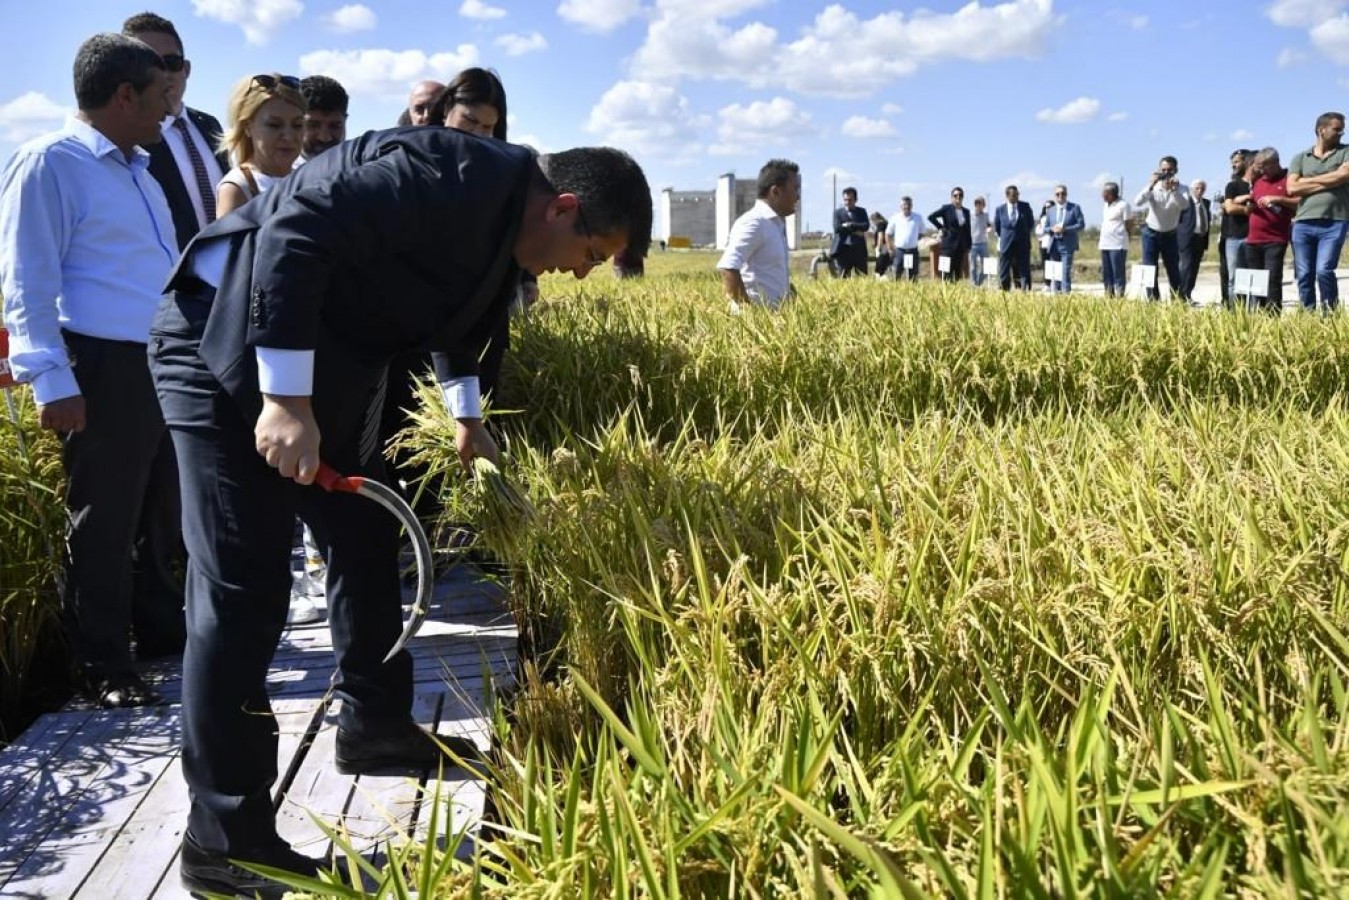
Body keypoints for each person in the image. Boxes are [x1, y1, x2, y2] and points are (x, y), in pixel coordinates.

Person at [149, 130, 651, 897]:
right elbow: (296, 230)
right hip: (218, 345)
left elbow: (470, 319)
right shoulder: (441, 174)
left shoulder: (506, 222)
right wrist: (285, 399)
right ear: (564, 208)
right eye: (589, 255)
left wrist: (468, 417)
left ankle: (373, 726)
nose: (577, 274)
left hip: (319, 368)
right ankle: (224, 843)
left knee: (364, 532)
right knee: (243, 592)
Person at [0, 33, 181, 708]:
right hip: (99, 364)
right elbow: (26, 279)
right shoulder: (51, 162)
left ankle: (161, 633)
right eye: (158, 96)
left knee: (161, 508)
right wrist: (53, 379)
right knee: (103, 520)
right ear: (124, 94)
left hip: (156, 361)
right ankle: (102, 663)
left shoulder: (137, 168)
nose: (169, 109)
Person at [123, 12, 227, 251]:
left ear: (186, 69)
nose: (163, 74)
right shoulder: (128, 140)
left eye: (171, 63)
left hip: (226, 276)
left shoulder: (209, 125)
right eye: (148, 63)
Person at [215, 73, 305, 217]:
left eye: (297, 125)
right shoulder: (237, 188)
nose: (288, 136)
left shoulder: (308, 180)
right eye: (274, 125)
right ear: (248, 127)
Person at [717, 159, 799, 310]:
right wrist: (751, 317)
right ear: (775, 191)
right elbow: (728, 268)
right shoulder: (753, 222)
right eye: (795, 189)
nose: (798, 197)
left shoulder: (775, 224)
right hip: (757, 326)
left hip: (776, 322)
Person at [1288, 111, 1349, 312]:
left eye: (1342, 129)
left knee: (1324, 270)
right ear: (1321, 130)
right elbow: (1292, 188)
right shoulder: (1300, 158)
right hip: (1303, 222)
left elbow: (1343, 176)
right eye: (1337, 129)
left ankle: (1330, 314)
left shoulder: (1346, 151)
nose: (1342, 133)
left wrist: (1306, 181)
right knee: (1304, 273)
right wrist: (1330, 179)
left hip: (1335, 221)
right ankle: (1308, 314)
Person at [1242, 147, 1297, 312]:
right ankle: (1258, 316)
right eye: (1258, 167)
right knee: (1256, 283)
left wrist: (1278, 199)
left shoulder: (1289, 179)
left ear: (1275, 162)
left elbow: (1298, 203)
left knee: (1272, 280)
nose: (1260, 170)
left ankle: (1272, 318)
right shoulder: (1259, 182)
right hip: (1253, 240)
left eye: (1263, 166)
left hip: (1275, 240)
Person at [1134, 155, 1189, 300]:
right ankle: (1153, 301)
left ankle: (1178, 301)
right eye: (1163, 170)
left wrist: (1174, 191)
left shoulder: (1182, 189)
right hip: (1150, 233)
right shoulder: (1153, 187)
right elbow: (1137, 202)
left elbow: (1184, 205)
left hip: (1170, 234)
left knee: (1173, 270)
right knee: (1150, 270)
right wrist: (1150, 185)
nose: (1166, 173)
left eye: (1169, 170)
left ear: (1176, 170)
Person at [1220, 149, 1254, 307]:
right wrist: (1247, 208)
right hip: (1233, 237)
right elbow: (1229, 209)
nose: (1234, 165)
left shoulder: (1258, 185)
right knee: (1233, 278)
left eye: (1237, 161)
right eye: (1232, 162)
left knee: (1252, 277)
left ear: (1247, 162)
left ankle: (1253, 312)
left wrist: (1237, 201)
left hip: (1254, 236)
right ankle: (1235, 312)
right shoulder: (1232, 186)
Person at [1044, 184, 1084, 293]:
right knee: (1056, 272)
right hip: (1054, 244)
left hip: (1067, 244)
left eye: (1063, 193)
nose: (1060, 196)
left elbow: (1081, 224)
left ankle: (1066, 294)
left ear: (1066, 194)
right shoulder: (1051, 210)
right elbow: (1045, 228)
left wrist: (1065, 229)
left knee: (1065, 271)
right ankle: (1056, 294)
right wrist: (1052, 229)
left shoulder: (1074, 208)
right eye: (1057, 194)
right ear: (1055, 195)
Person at [993, 184, 1034, 290]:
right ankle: (1004, 291)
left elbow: (1030, 223)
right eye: (1014, 195)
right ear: (1007, 196)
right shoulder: (1000, 209)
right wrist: (1006, 236)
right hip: (1006, 243)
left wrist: (1022, 233)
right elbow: (997, 227)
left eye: (1017, 194)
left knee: (1024, 269)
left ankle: (1025, 290)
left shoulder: (1025, 206)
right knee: (1004, 269)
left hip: (1022, 243)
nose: (1016, 197)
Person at [299, 74, 348, 160]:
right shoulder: (277, 171)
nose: (324, 138)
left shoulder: (363, 170)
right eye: (313, 125)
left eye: (335, 126)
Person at [928, 187, 973, 281]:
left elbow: (967, 229)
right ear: (951, 197)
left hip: (960, 247)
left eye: (960, 195)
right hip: (948, 246)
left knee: (957, 274)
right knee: (945, 274)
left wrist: (969, 245)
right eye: (955, 195)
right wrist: (941, 227)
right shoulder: (946, 209)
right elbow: (931, 217)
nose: (958, 197)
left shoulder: (966, 211)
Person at [1179, 180, 1211, 301]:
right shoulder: (1185, 201)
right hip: (1187, 239)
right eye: (1197, 188)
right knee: (1186, 266)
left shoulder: (1206, 203)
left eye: (1202, 189)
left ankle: (1188, 294)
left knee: (1195, 268)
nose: (1200, 191)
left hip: (1200, 239)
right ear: (1192, 189)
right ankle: (1180, 295)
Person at [1099, 182, 1131, 297]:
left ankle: (1120, 295)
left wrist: (1127, 235)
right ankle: (1108, 294)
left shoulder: (1124, 205)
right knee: (1106, 272)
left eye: (1105, 193)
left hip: (1118, 244)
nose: (1103, 196)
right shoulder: (1106, 205)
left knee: (1118, 272)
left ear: (1113, 194)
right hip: (1104, 243)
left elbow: (1129, 223)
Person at [831, 187, 869, 277]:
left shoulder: (861, 211)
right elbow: (837, 228)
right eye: (845, 200)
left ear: (856, 200)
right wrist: (856, 230)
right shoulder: (837, 213)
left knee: (862, 278)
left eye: (850, 200)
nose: (847, 202)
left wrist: (850, 225)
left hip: (859, 250)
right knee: (843, 278)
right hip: (843, 250)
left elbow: (866, 226)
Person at [885, 195, 925, 281]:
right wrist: (890, 248)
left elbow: (921, 233)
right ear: (901, 206)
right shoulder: (895, 218)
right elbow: (888, 234)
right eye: (904, 205)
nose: (906, 206)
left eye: (909, 204)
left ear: (912, 205)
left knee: (913, 277)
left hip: (913, 251)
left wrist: (912, 241)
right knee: (896, 275)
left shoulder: (918, 217)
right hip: (899, 251)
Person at [969, 196, 990, 286]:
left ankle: (979, 282)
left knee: (986, 266)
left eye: (980, 204)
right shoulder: (970, 215)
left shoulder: (986, 215)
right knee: (973, 267)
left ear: (983, 205)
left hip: (983, 243)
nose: (979, 206)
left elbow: (989, 224)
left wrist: (989, 228)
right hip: (972, 244)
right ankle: (974, 283)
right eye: (977, 204)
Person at [870, 210, 891, 277]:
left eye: (873, 221)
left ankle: (880, 277)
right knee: (884, 263)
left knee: (880, 264)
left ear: (875, 219)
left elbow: (880, 236)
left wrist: (879, 246)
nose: (873, 223)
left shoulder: (880, 224)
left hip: (882, 246)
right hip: (886, 245)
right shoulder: (886, 224)